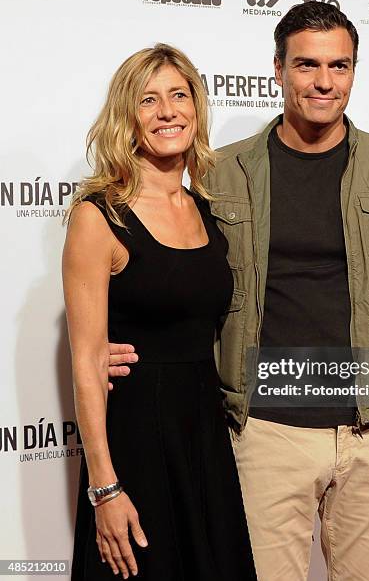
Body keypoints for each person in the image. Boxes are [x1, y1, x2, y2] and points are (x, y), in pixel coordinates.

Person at [109, 3, 369, 581]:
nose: (324, 81)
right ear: (278, 68)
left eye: (339, 66)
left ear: (353, 71)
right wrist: (106, 340)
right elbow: (175, 275)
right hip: (265, 432)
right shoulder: (223, 173)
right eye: (307, 65)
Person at [63, 43, 257, 580]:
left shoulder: (206, 211)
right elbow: (86, 362)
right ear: (128, 116)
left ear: (196, 107)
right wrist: (104, 487)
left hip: (204, 440)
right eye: (148, 100)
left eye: (179, 95)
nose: (167, 111)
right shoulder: (98, 217)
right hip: (135, 443)